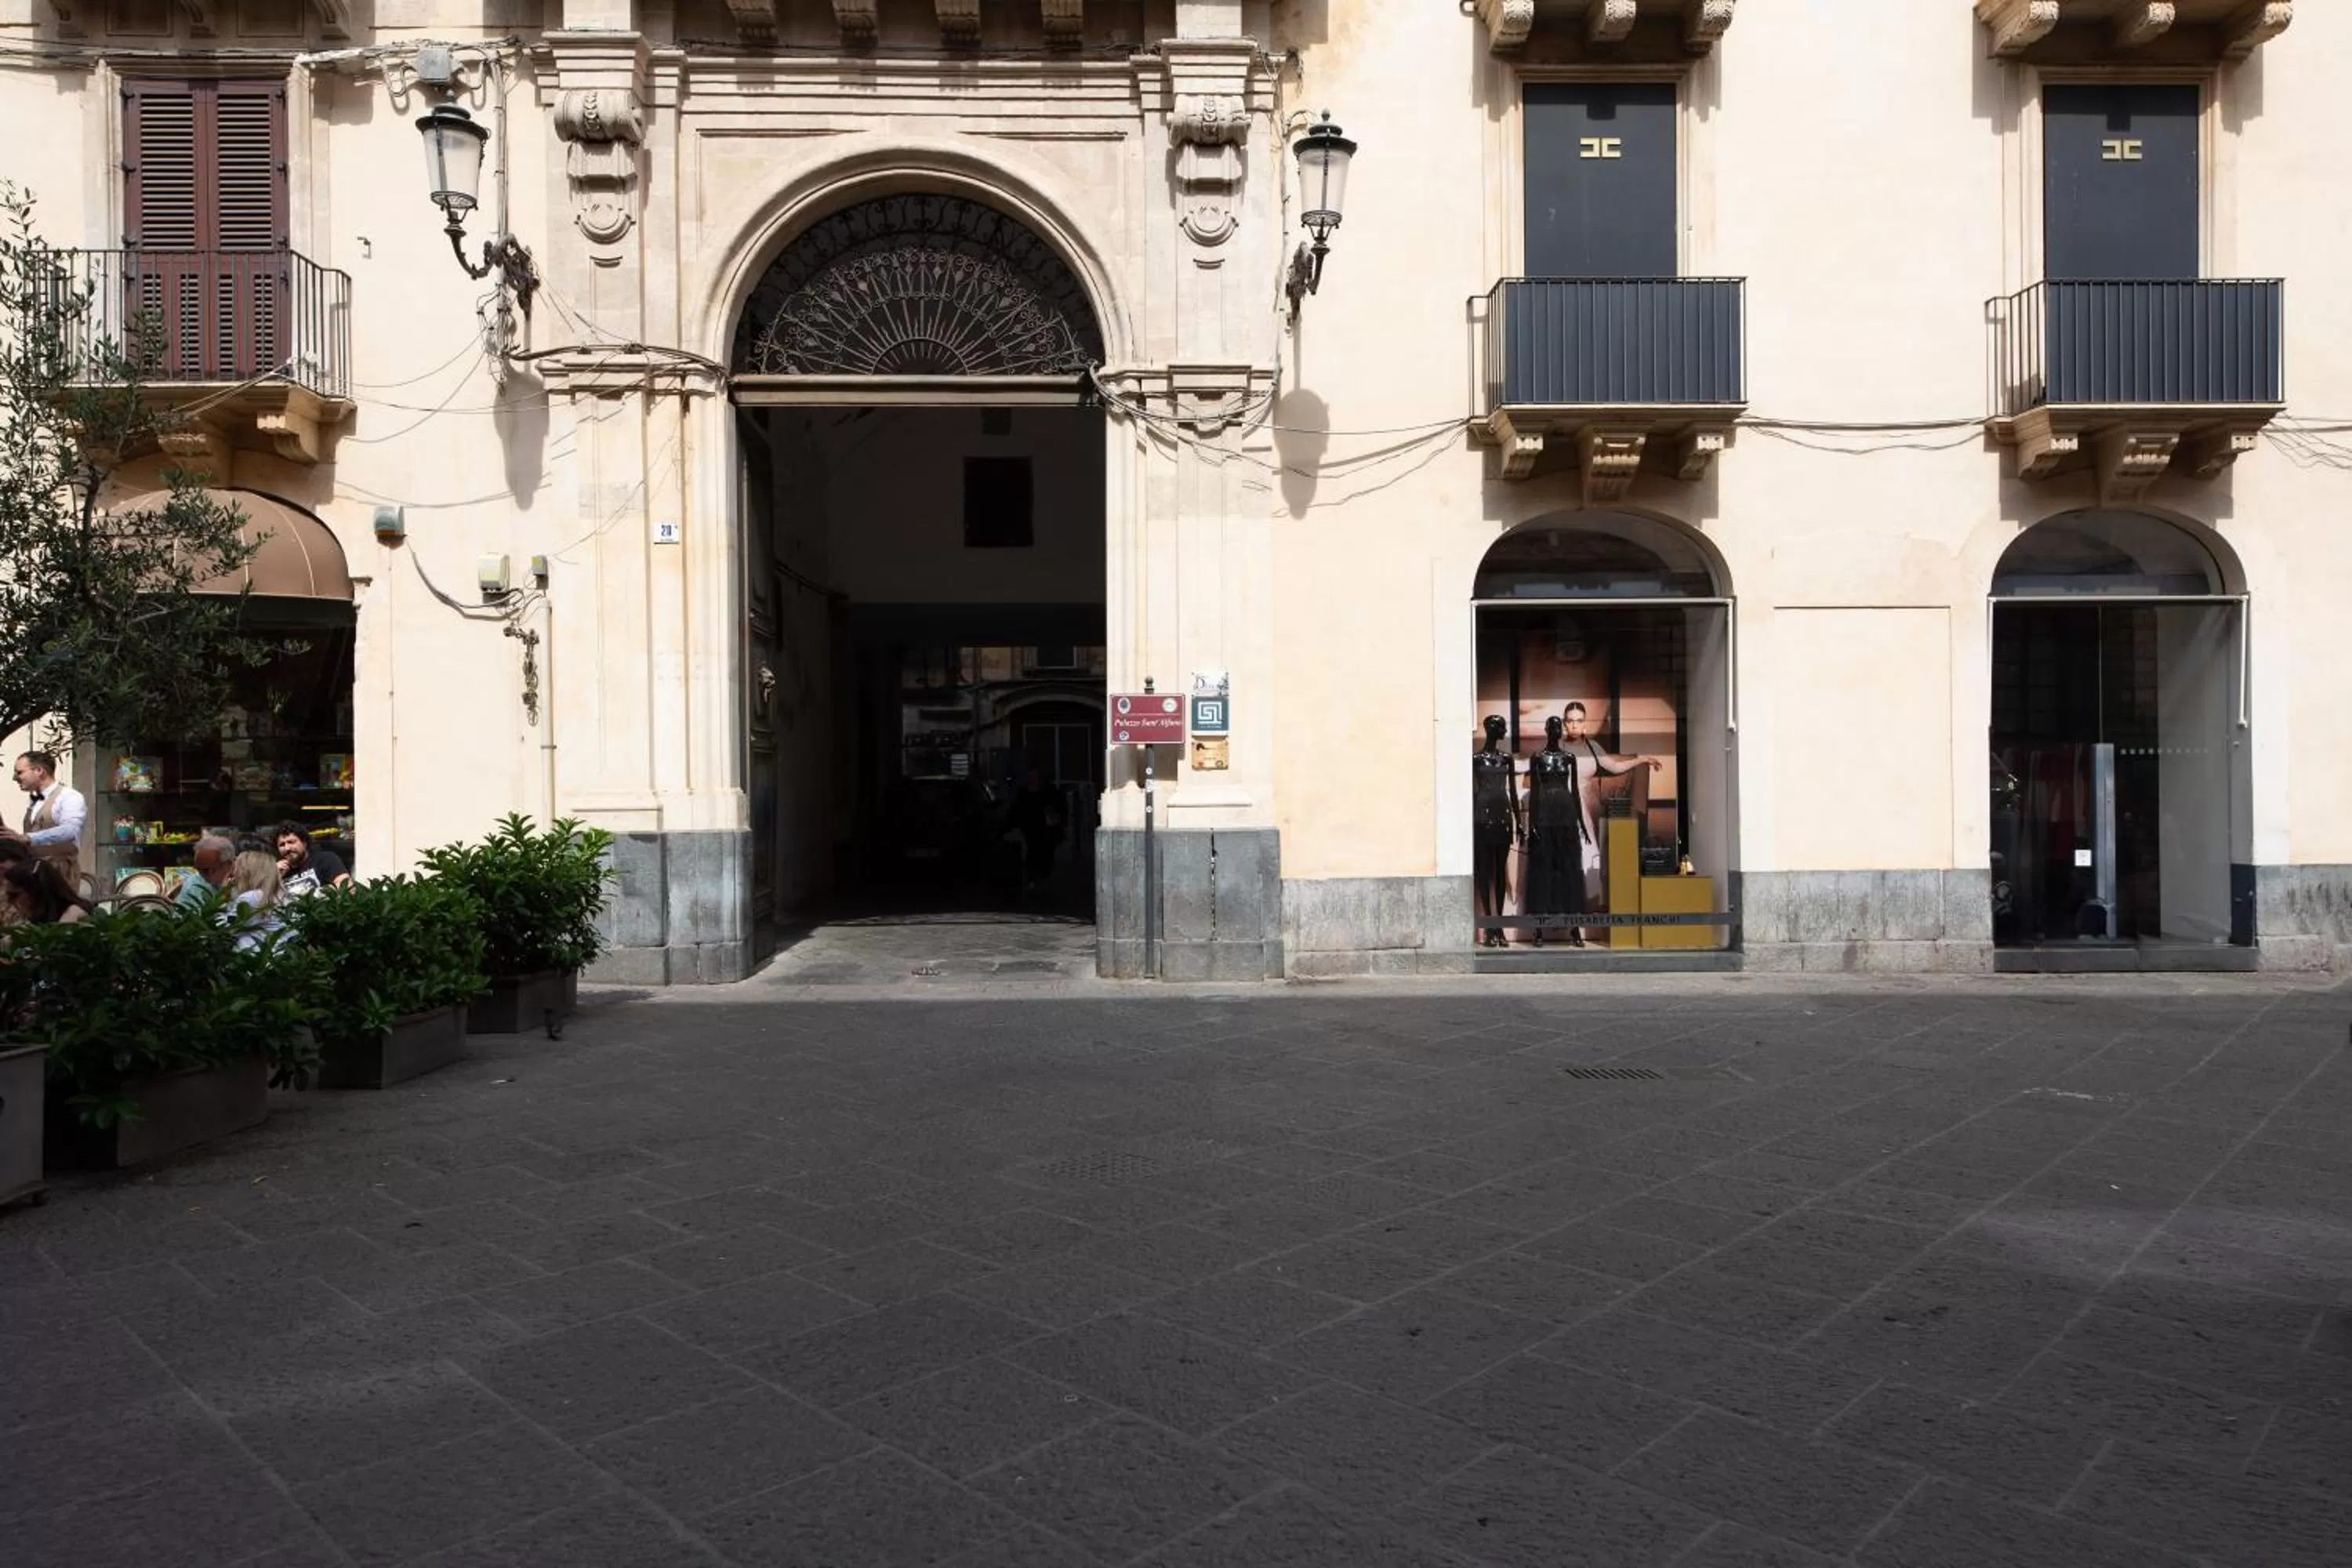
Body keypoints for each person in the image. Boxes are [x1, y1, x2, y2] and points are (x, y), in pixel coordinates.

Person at [1559, 702, 1663, 934]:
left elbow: (1615, 767)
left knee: (1587, 857)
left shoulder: (1593, 747)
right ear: (1565, 723)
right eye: (1570, 720)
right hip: (1559, 806)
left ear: (1584, 723)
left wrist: (1642, 759)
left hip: (1583, 807)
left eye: (1578, 720)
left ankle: (1583, 915)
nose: (1574, 724)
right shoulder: (1556, 746)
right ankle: (1564, 913)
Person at [6, 750, 85, 885]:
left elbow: (71, 830)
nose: (15, 778)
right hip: (34, 872)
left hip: (59, 875)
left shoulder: (69, 797)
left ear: (39, 771)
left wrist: (28, 838)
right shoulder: (35, 801)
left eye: (20, 772)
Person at [1005, 768, 1065, 896]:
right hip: (1031, 829)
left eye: (1036, 777)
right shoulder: (1024, 793)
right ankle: (1033, 879)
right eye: (1031, 777)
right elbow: (1016, 810)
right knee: (1032, 853)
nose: (1034, 780)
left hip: (1047, 829)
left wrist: (1058, 822)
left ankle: (1044, 878)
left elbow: (1060, 808)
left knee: (1047, 854)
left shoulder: (1050, 792)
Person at [227, 848, 289, 951]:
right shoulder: (281, 894)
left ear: (247, 872)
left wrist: (225, 892)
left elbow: (226, 928)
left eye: (237, 868)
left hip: (256, 960)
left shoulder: (250, 897)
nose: (234, 872)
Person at [5, 858, 91, 924]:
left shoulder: (73, 913)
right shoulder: (39, 918)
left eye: (14, 895)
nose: (10, 901)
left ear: (34, 892)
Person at [274, 824, 350, 897]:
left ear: (304, 843)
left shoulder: (324, 859)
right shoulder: (279, 871)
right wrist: (274, 875)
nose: (287, 848)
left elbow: (347, 886)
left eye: (291, 842)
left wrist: (313, 896)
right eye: (282, 845)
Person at [175, 834, 239, 912]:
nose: (203, 874)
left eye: (209, 869)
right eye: (199, 868)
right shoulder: (195, 885)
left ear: (229, 864)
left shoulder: (244, 879)